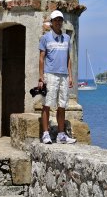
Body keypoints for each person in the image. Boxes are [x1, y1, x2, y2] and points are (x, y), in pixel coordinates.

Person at [38, 10, 76, 144]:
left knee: (62, 105)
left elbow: (68, 59)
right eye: (56, 20)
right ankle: (46, 134)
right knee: (47, 104)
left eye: (60, 20)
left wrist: (70, 76)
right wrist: (41, 77)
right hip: (50, 74)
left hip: (64, 75)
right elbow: (41, 58)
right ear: (51, 23)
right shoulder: (45, 38)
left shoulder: (66, 38)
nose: (58, 22)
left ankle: (61, 135)